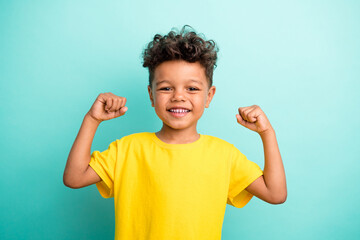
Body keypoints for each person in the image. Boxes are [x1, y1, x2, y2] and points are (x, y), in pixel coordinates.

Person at [63, 25, 287, 240]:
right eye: (166, 88)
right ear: (151, 95)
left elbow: (275, 194)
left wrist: (267, 133)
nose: (178, 96)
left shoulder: (224, 154)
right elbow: (74, 178)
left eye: (192, 88)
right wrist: (92, 120)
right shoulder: (127, 149)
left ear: (209, 96)